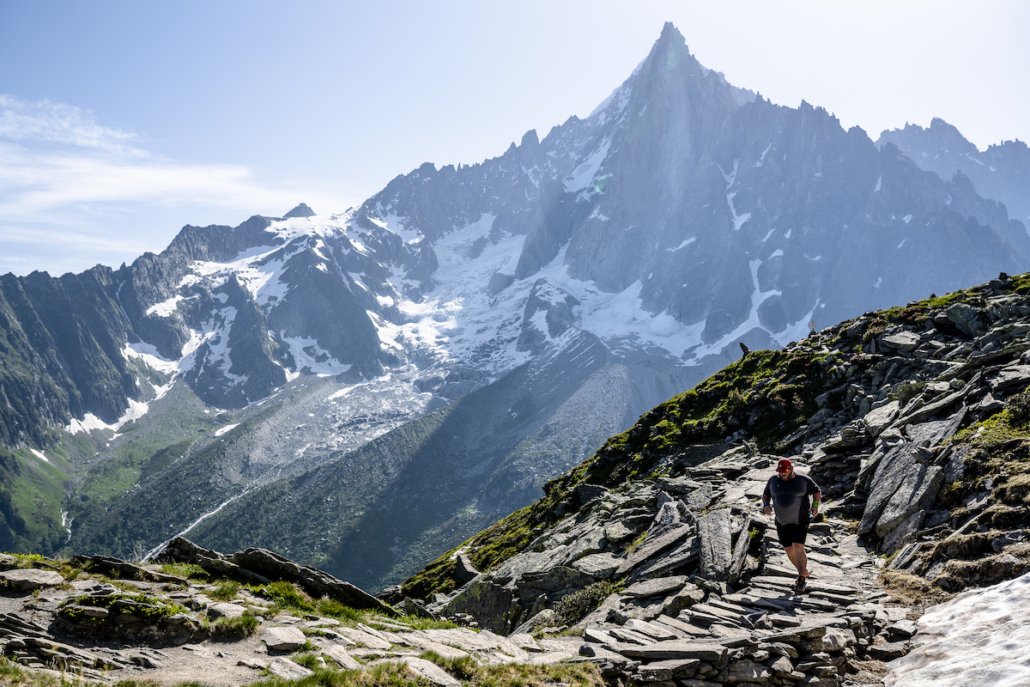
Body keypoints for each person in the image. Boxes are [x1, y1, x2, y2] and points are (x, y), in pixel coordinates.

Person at [761, 457, 822, 592]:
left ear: (791, 469)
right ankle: (803, 570)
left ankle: (801, 579)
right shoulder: (773, 480)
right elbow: (766, 495)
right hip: (782, 522)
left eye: (785, 471)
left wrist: (815, 506)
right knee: (789, 549)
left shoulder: (803, 480)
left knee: (798, 547)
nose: (782, 474)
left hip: (801, 519)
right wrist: (766, 505)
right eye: (780, 471)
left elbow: (817, 491)